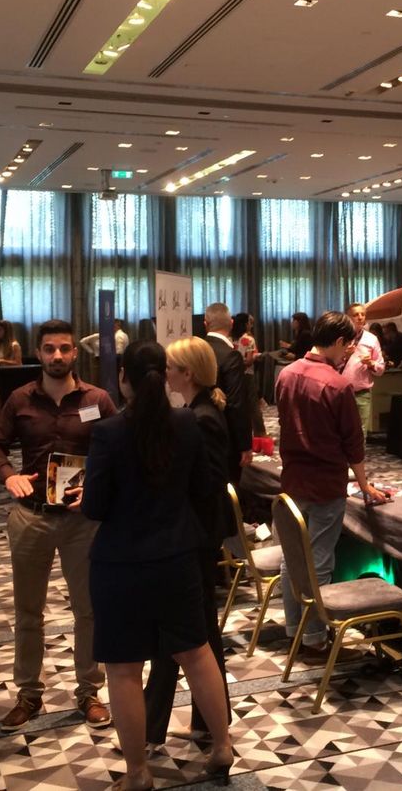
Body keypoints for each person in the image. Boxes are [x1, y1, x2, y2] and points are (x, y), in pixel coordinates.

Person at [84, 341, 233, 790]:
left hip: (120, 564)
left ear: (123, 378)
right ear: (164, 375)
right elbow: (204, 485)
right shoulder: (187, 422)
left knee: (124, 669)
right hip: (177, 556)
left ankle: (137, 773)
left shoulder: (109, 433)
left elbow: (94, 507)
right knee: (197, 653)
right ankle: (222, 746)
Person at [0, 319, 115, 730]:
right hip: (32, 516)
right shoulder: (20, 399)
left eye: (64, 348)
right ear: (38, 353)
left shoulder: (97, 399)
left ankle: (89, 690)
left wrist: (96, 486)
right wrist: (8, 475)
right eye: (49, 349)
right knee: (28, 611)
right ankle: (28, 693)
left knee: (88, 609)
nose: (57, 355)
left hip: (81, 520)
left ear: (75, 352)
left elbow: (120, 452)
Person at [275, 311, 391, 660]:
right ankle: (315, 640)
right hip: (325, 484)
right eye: (348, 348)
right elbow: (353, 444)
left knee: (291, 559)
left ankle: (295, 631)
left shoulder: (286, 374)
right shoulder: (337, 385)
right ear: (339, 341)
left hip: (292, 481)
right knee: (319, 562)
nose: (348, 355)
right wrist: (365, 485)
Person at [143, 337, 232, 745]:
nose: (165, 374)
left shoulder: (202, 418)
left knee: (187, 633)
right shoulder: (198, 412)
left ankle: (157, 726)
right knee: (196, 632)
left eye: (170, 367)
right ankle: (204, 724)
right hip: (194, 536)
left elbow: (209, 484)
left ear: (187, 373)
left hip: (195, 538)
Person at [204, 303, 252, 483]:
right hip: (225, 434)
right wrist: (244, 444)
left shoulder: (197, 349)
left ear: (205, 323)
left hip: (200, 426)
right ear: (231, 323)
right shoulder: (231, 355)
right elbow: (236, 402)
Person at [340, 303, 385, 433]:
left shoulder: (372, 339)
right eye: (356, 315)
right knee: (340, 430)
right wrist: (345, 356)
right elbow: (328, 365)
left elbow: (381, 369)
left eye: (363, 314)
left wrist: (371, 363)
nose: (360, 317)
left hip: (362, 394)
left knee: (360, 432)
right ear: (347, 317)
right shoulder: (339, 338)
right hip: (340, 393)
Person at [230, 311, 266, 438]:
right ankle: (260, 433)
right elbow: (249, 361)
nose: (251, 325)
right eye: (249, 323)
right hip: (247, 374)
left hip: (233, 374)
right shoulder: (249, 339)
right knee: (253, 404)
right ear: (245, 324)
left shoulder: (230, 338)